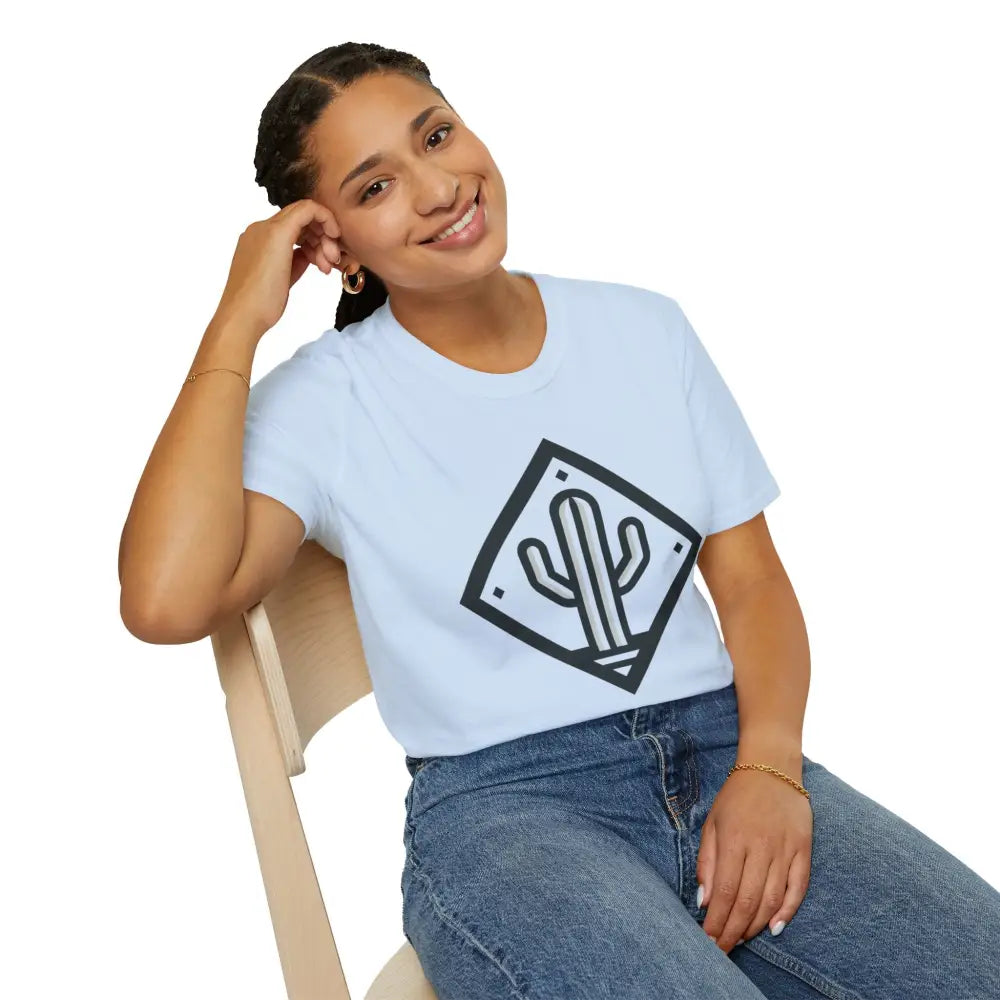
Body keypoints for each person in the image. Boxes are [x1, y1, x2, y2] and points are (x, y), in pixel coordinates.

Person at [118, 41, 1000, 999]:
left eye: (438, 136)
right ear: (334, 248)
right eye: (376, 188)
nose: (438, 187)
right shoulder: (327, 403)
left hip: (726, 748)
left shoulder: (646, 330)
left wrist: (772, 767)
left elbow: (749, 583)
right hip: (507, 811)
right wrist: (236, 319)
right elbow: (166, 601)